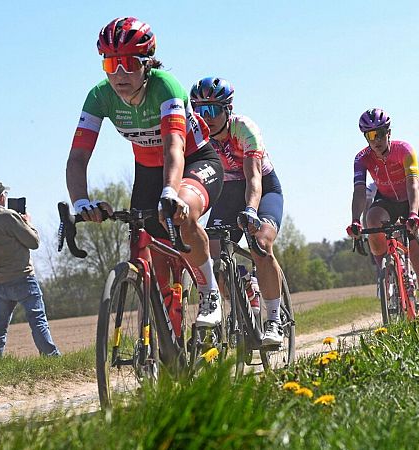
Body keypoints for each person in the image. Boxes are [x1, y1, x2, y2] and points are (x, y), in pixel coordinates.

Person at [66, 17, 224, 327]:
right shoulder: (99, 96)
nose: (120, 74)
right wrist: (81, 202)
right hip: (148, 170)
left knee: (181, 211)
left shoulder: (165, 86)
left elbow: (174, 148)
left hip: (193, 161)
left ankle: (210, 293)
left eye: (127, 63)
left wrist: (170, 193)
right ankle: (169, 332)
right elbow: (77, 157)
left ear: (146, 63)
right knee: (148, 243)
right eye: (111, 65)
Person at [189, 76, 285, 345]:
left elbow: (254, 177)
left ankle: (274, 320)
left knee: (261, 244)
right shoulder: (196, 133)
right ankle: (242, 285)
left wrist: (252, 211)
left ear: (227, 110)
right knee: (211, 252)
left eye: (213, 110)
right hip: (227, 191)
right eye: (199, 111)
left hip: (263, 189)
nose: (206, 117)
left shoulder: (244, 128)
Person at [346, 108, 419, 313]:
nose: (376, 139)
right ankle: (384, 271)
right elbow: (359, 192)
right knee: (372, 218)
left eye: (380, 133)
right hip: (387, 200)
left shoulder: (404, 150)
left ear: (389, 132)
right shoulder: (362, 159)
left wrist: (413, 214)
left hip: (413, 199)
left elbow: (413, 185)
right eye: (370, 135)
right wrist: (354, 220)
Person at [0, 180, 61, 360]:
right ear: (0, 196)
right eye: (4, 194)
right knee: (38, 321)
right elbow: (34, 242)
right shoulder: (8, 216)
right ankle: (52, 358)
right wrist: (28, 223)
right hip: (23, 278)